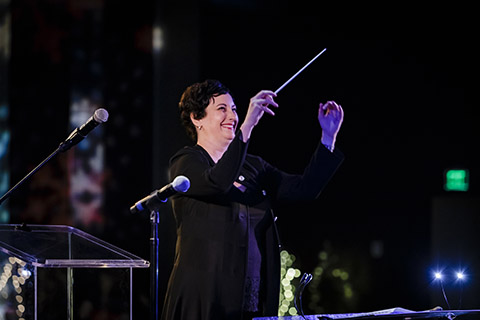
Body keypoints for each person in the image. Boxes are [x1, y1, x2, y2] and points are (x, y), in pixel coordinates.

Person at [161, 79, 344, 320]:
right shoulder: (186, 162)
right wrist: (247, 127)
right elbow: (218, 181)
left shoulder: (254, 166)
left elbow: (303, 189)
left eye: (234, 109)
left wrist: (327, 138)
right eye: (222, 109)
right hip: (204, 295)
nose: (232, 116)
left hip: (250, 297)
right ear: (197, 118)